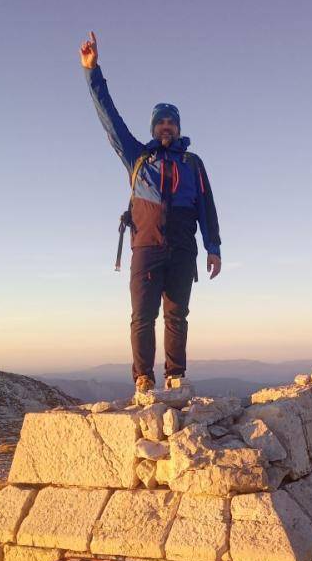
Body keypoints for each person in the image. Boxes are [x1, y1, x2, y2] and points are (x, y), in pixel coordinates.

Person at [79, 30, 222, 393]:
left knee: (177, 316)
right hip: (146, 247)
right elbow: (110, 119)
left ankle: (175, 376)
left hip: (183, 248)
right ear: (153, 128)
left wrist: (214, 247)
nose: (166, 126)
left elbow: (207, 207)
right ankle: (143, 378)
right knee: (142, 316)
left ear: (178, 128)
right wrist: (92, 72)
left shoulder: (193, 163)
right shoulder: (138, 157)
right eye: (161, 121)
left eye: (171, 122)